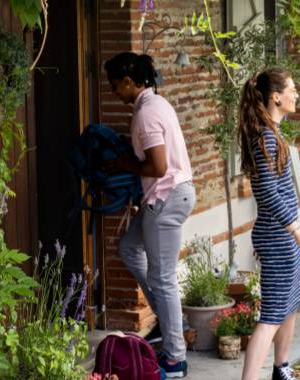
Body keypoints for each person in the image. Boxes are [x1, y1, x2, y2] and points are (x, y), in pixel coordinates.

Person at [105, 52, 196, 378]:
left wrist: (124, 164)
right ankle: (171, 322)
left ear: (129, 81)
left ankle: (175, 359)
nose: (114, 92)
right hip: (171, 195)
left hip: (166, 198)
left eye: (115, 85)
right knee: (130, 248)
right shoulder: (158, 103)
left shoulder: (145, 113)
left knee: (162, 279)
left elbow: (157, 167)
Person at [238, 68, 300, 380]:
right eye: (292, 89)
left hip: (281, 235)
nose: (296, 94)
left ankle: (281, 369)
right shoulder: (267, 138)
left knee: (290, 304)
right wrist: (298, 233)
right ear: (275, 97)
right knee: (272, 316)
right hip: (278, 237)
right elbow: (267, 193)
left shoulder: (272, 133)